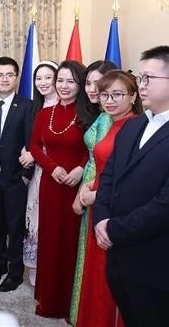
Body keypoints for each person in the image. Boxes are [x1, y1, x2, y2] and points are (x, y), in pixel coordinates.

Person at [94, 46, 169, 327]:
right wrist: (101, 219)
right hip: (120, 258)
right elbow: (109, 177)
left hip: (161, 266)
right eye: (140, 78)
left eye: (147, 79)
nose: (140, 85)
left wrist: (113, 230)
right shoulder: (133, 125)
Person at [72, 70, 142, 327]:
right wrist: (88, 187)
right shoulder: (109, 122)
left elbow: (133, 179)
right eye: (104, 95)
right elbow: (104, 166)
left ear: (133, 96)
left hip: (115, 209)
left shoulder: (135, 127)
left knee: (108, 279)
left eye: (117, 95)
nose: (109, 100)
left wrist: (94, 195)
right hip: (97, 202)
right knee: (95, 274)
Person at [30, 60, 89, 319]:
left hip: (77, 188)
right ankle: (48, 300)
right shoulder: (45, 114)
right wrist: (52, 168)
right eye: (60, 81)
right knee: (50, 241)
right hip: (50, 185)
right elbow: (34, 148)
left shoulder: (90, 115)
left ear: (81, 84)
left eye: (71, 81)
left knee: (70, 243)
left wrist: (80, 169)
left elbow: (96, 152)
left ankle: (69, 303)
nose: (64, 86)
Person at [69, 60, 118, 323]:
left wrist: (89, 193)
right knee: (86, 255)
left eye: (98, 83)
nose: (91, 89)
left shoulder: (116, 119)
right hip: (88, 187)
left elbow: (109, 163)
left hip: (99, 190)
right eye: (88, 83)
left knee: (99, 258)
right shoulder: (100, 114)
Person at [0, 57, 34, 292]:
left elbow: (32, 144)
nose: (4, 79)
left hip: (15, 178)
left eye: (9, 75)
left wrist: (25, 174)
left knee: (15, 227)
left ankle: (15, 273)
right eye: (0, 75)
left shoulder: (27, 106)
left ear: (16, 78)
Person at [23, 60, 59, 286]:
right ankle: (36, 270)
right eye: (39, 78)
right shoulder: (34, 108)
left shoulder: (66, 107)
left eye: (48, 77)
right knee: (34, 219)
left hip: (57, 172)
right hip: (36, 174)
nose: (43, 82)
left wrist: (34, 155)